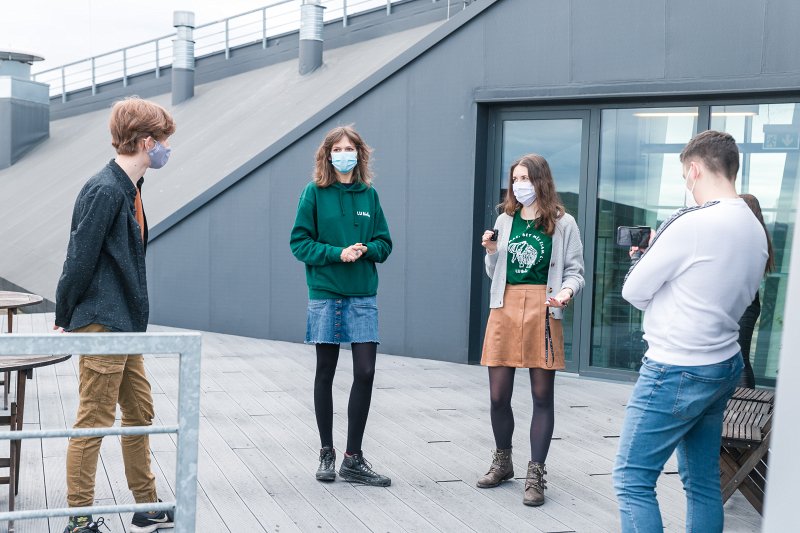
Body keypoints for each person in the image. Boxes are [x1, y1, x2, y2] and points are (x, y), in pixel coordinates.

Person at [613, 130, 768, 532]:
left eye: (686, 175)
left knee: (632, 479)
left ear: (695, 169)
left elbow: (634, 290)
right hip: (722, 363)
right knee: (702, 483)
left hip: (675, 368)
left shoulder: (692, 224)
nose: (688, 184)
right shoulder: (755, 230)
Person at [55, 97, 176, 533]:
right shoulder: (106, 190)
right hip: (104, 320)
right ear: (147, 141)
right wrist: (64, 311)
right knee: (94, 419)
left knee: (140, 412)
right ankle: (78, 517)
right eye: (163, 141)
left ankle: (146, 503)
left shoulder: (129, 188)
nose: (166, 148)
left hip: (124, 320)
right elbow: (79, 257)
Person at [477, 154, 584, 506]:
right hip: (504, 306)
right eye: (515, 178)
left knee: (541, 395)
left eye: (525, 177)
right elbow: (495, 272)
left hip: (544, 308)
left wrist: (566, 292)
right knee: (497, 395)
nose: (519, 184)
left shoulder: (563, 222)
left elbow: (575, 272)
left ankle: (536, 473)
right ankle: (503, 461)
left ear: (541, 181)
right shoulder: (505, 220)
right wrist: (492, 251)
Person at [290, 125, 393, 486]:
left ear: (359, 154)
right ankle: (326, 452)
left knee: (365, 372)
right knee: (326, 372)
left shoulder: (370, 195)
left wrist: (367, 249)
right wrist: (337, 253)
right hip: (326, 293)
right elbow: (299, 243)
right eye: (338, 149)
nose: (344, 154)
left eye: (350, 148)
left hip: (363, 294)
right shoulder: (314, 193)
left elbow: (385, 242)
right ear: (328, 155)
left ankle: (353, 458)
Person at [737, 193, 775, 388]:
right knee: (737, 357)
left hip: (745, 305)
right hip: (746, 304)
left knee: (740, 357)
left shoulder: (752, 238)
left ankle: (746, 404)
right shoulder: (758, 237)